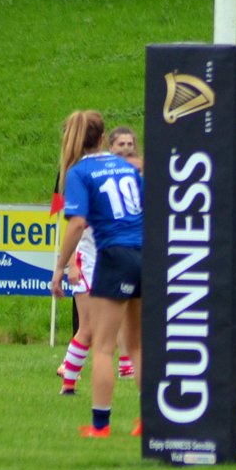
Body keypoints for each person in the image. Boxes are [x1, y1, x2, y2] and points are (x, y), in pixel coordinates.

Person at [50, 110, 144, 438]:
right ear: (104, 138)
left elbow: (77, 223)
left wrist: (61, 266)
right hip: (144, 253)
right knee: (136, 345)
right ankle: (150, 420)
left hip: (115, 256)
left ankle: (100, 425)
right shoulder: (127, 166)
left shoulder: (78, 172)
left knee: (103, 346)